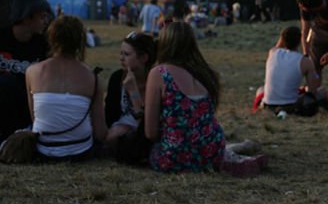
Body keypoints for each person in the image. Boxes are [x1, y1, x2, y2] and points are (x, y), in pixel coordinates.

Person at [144, 22, 225, 173]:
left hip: (174, 157)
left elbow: (150, 132)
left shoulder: (159, 73)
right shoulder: (207, 73)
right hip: (212, 152)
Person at [24, 15, 107, 161]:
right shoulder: (93, 78)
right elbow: (100, 132)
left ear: (51, 38)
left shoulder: (32, 72)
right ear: (80, 42)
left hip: (44, 149)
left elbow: (35, 119)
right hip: (81, 151)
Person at [1, 0, 51, 143]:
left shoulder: (43, 44)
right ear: (26, 17)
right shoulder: (2, 38)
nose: (46, 21)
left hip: (28, 107)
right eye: (42, 17)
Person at [105, 31, 157, 163]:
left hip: (148, 132)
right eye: (121, 53)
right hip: (120, 132)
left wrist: (133, 91)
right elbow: (110, 116)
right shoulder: (117, 78)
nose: (121, 58)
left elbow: (150, 127)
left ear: (144, 58)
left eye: (127, 54)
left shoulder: (156, 80)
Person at [255, 25, 323, 115]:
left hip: (269, 104)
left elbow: (278, 46)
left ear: (282, 39)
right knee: (322, 92)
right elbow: (313, 90)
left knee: (261, 90)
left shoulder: (272, 53)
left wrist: (283, 37)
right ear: (299, 41)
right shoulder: (304, 61)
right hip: (290, 105)